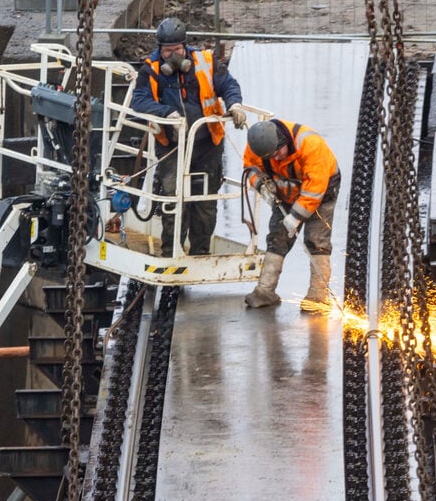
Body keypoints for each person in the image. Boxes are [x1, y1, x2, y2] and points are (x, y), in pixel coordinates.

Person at [131, 17, 246, 257]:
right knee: (174, 199)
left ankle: (200, 254)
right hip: (172, 146)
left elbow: (228, 85)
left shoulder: (205, 61)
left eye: (176, 50)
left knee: (205, 202)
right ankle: (172, 252)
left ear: (185, 46)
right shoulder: (150, 69)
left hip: (207, 144)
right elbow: (139, 100)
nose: (172, 56)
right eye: (167, 51)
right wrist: (166, 113)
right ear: (159, 50)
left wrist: (235, 105)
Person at [242, 118, 340, 310]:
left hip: (321, 191)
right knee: (277, 237)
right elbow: (250, 169)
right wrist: (262, 186)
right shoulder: (258, 145)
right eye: (272, 156)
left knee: (316, 240)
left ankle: (318, 298)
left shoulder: (311, 145)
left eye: (278, 153)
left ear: (284, 141)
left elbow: (314, 190)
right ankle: (264, 291)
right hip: (285, 189)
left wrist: (296, 216)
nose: (276, 158)